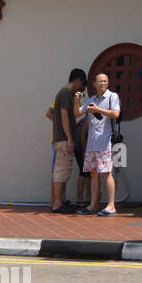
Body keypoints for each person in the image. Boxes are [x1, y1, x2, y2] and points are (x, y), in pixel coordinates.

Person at [82, 71, 121, 215]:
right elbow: (78, 113)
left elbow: (116, 114)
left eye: (105, 81)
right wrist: (76, 100)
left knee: (106, 173)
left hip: (105, 142)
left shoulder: (112, 96)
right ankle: (93, 204)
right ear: (94, 84)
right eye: (99, 81)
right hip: (92, 143)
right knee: (93, 173)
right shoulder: (92, 98)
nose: (102, 83)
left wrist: (98, 110)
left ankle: (111, 206)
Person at [50, 69, 88, 212]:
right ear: (77, 80)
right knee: (61, 170)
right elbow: (65, 116)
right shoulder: (65, 93)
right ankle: (57, 203)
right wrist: (70, 138)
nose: (82, 87)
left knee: (63, 169)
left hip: (62, 138)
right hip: (64, 139)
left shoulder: (66, 94)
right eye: (82, 83)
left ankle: (60, 201)